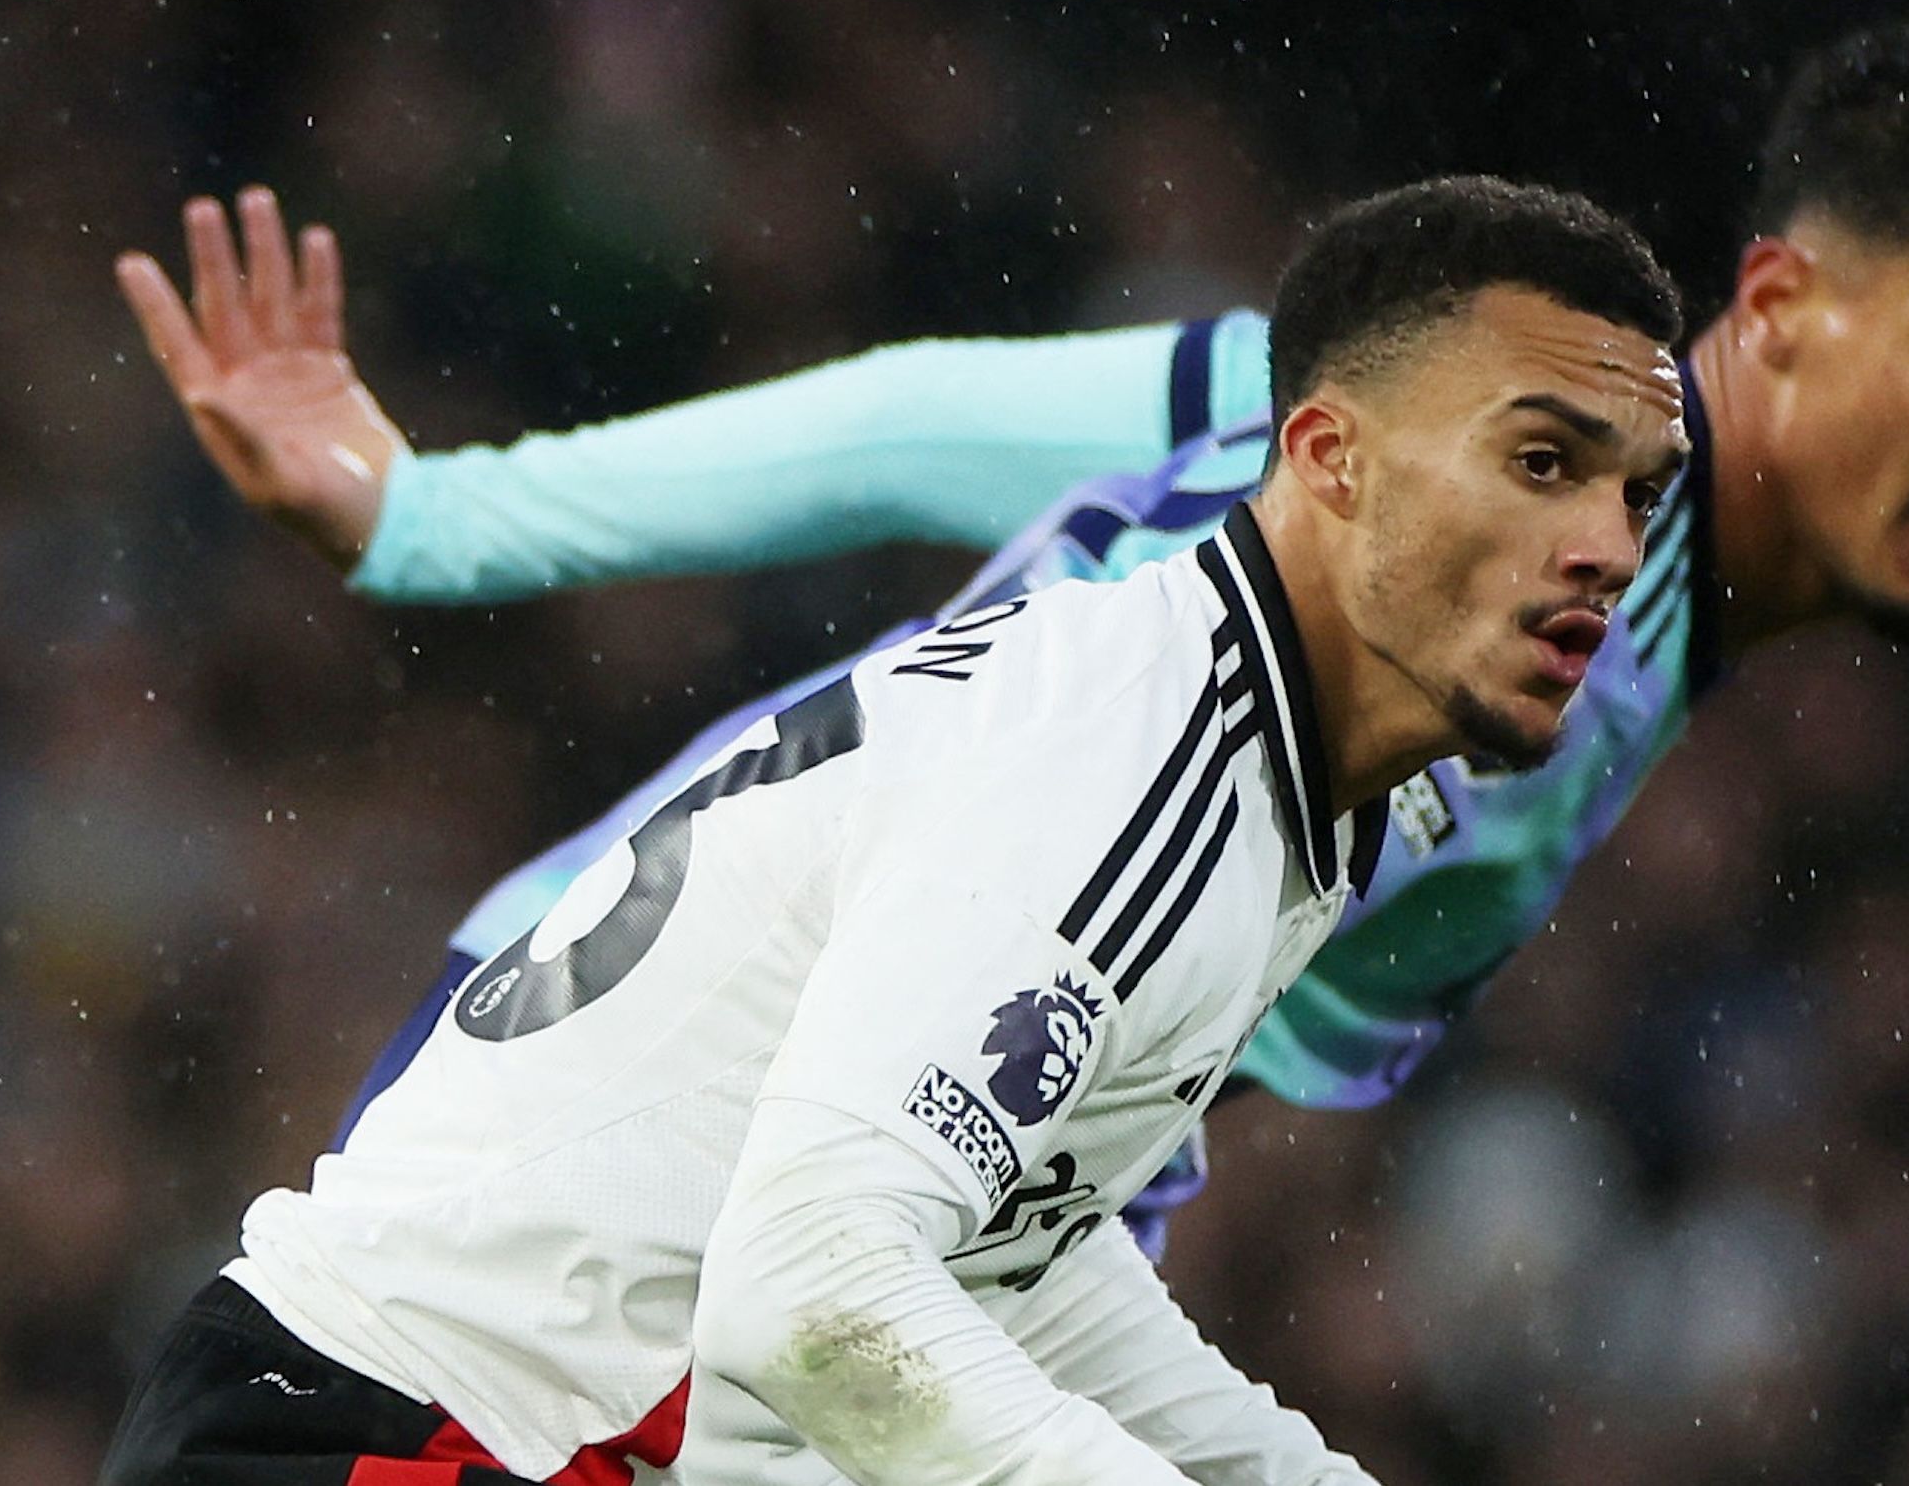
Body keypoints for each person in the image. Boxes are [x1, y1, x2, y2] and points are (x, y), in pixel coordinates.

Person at [113, 12, 1909, 1246]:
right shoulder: (1496, 467)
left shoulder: (1596, 642)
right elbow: (920, 432)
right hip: (651, 1129)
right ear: (1784, 311)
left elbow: (935, 422)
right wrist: (440, 521)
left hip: (777, 1184)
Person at [96, 177, 1688, 1485]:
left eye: (1639, 494)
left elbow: (1017, 1251)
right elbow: (811, 1300)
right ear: (1329, 460)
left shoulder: (1268, 777)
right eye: (1544, 463)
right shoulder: (1130, 758)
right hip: (383, 1439)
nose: (1605, 546)